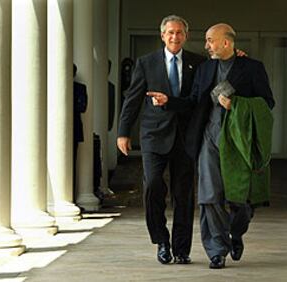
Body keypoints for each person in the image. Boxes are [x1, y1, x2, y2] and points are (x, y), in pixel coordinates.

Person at [185, 23, 275, 269]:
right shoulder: (204, 69)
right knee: (209, 196)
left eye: (210, 40)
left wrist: (236, 105)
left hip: (238, 142)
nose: (207, 45)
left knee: (241, 201)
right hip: (209, 138)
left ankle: (236, 233)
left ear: (227, 42)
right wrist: (167, 102)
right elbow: (193, 101)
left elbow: (267, 103)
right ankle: (217, 250)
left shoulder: (252, 68)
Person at [117, 15, 205, 264]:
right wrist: (123, 132)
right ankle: (161, 241)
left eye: (179, 32)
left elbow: (198, 100)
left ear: (186, 36)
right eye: (170, 33)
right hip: (154, 135)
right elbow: (132, 99)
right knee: (153, 185)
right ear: (162, 35)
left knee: (184, 194)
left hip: (185, 138)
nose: (175, 37)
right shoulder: (146, 63)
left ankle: (181, 249)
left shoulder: (198, 63)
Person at [73, 64, 88, 199]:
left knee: (73, 164)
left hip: (74, 129)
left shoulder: (80, 88)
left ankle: (72, 196)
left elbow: (82, 107)